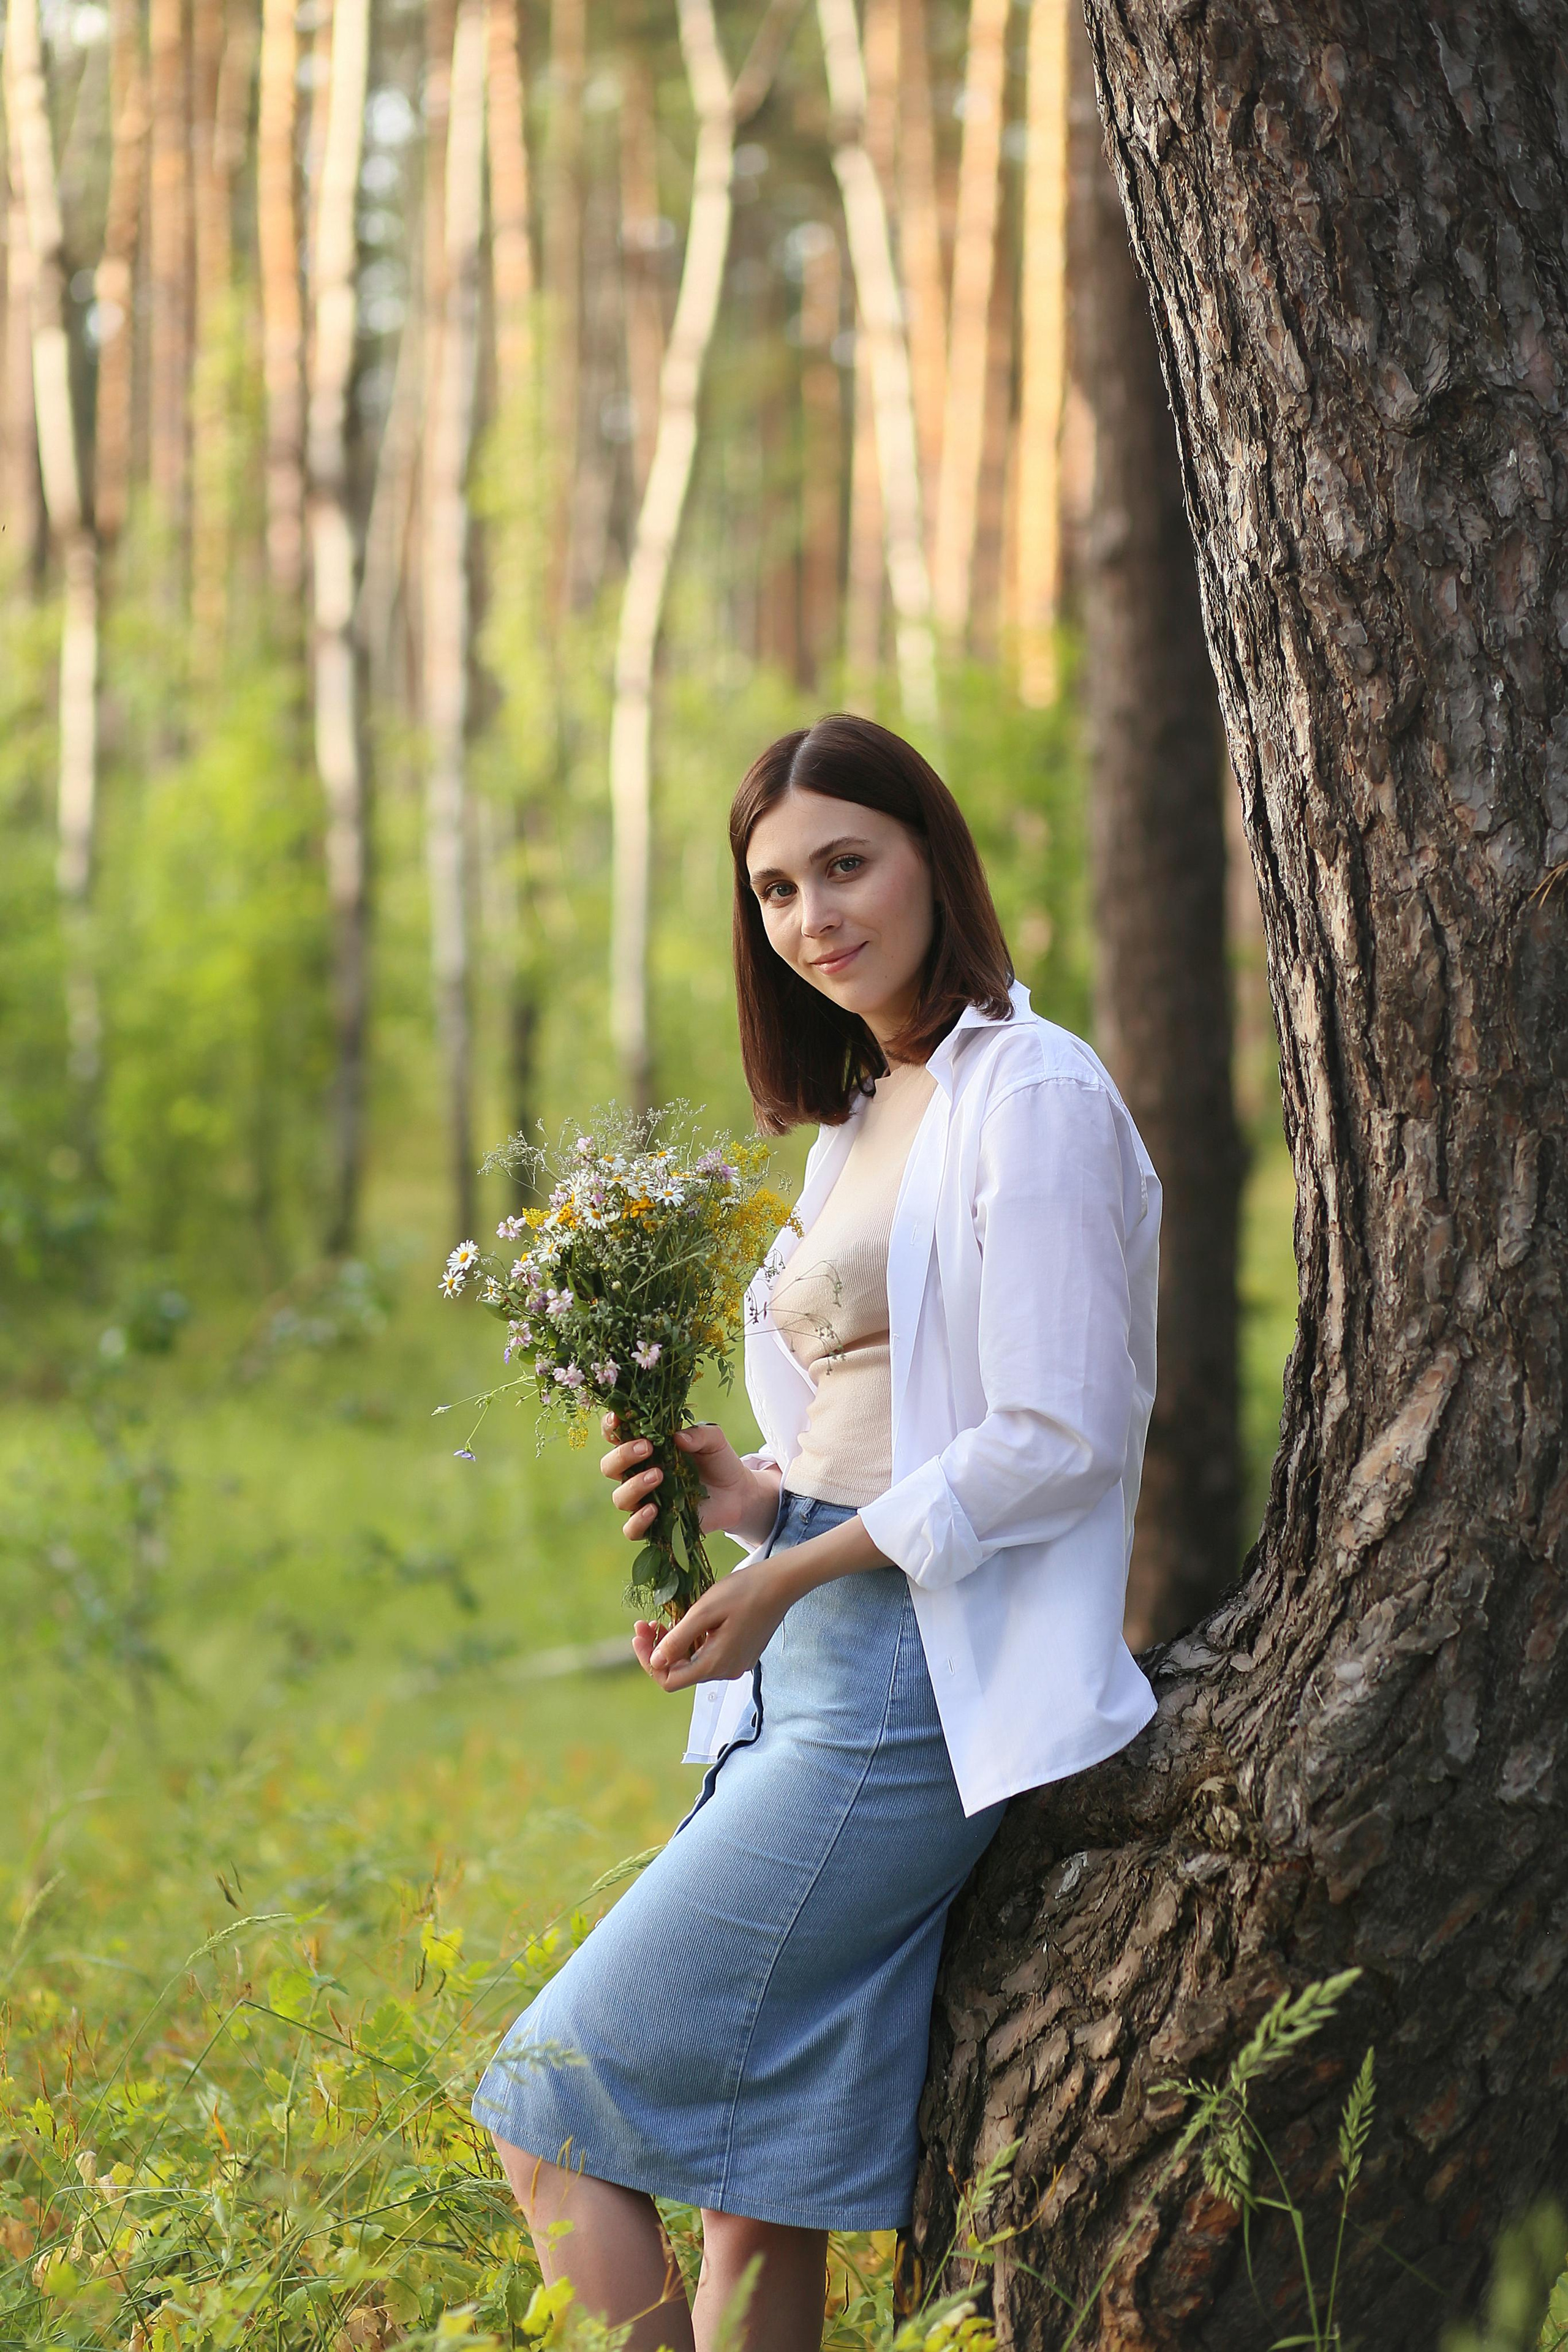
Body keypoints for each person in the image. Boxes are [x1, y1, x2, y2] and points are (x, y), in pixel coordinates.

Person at [473, 714, 1161, 2352]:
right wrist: (748, 1503)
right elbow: (884, 1430)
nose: (813, 917)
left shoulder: (1034, 1094)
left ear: (933, 856)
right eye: (776, 889)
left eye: (846, 865)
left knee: (545, 2099)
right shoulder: (866, 1113)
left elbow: (1059, 1435)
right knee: (751, 2184)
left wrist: (795, 1567)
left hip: (909, 1699)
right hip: (822, 1662)